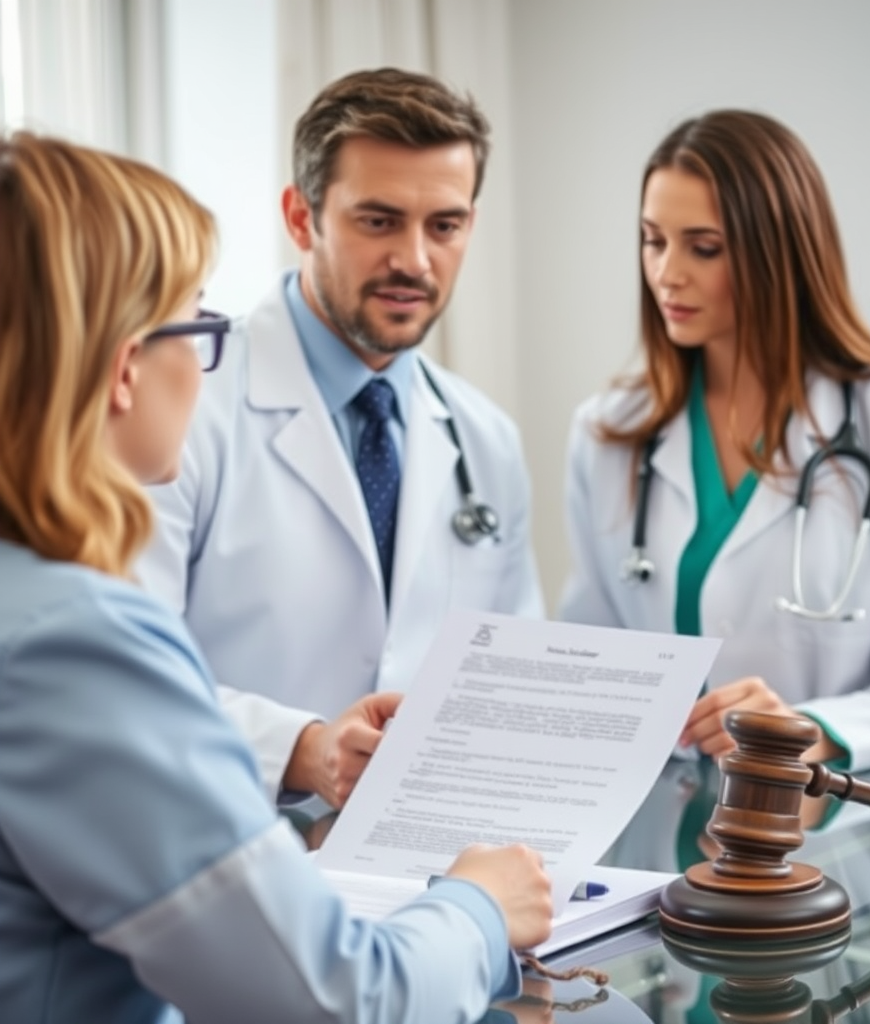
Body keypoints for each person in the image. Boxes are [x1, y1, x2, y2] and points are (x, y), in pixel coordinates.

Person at [0, 130, 552, 1023]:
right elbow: (332, 999)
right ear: (122, 365)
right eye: (191, 319)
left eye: (444, 223)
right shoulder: (72, 640)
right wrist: (480, 907)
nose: (203, 352)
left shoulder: (481, 430)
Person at [136, 68, 544, 805]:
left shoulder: (488, 438)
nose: (414, 261)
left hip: (428, 857)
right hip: (221, 837)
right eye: (378, 220)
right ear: (302, 218)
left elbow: (514, 677)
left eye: (443, 225)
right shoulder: (174, 407)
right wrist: (303, 750)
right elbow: (124, 669)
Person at [559, 109, 870, 771]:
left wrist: (810, 729)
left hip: (830, 833)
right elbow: (587, 664)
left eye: (703, 247)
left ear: (780, 254)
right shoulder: (610, 433)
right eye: (653, 240)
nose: (666, 273)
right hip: (652, 827)